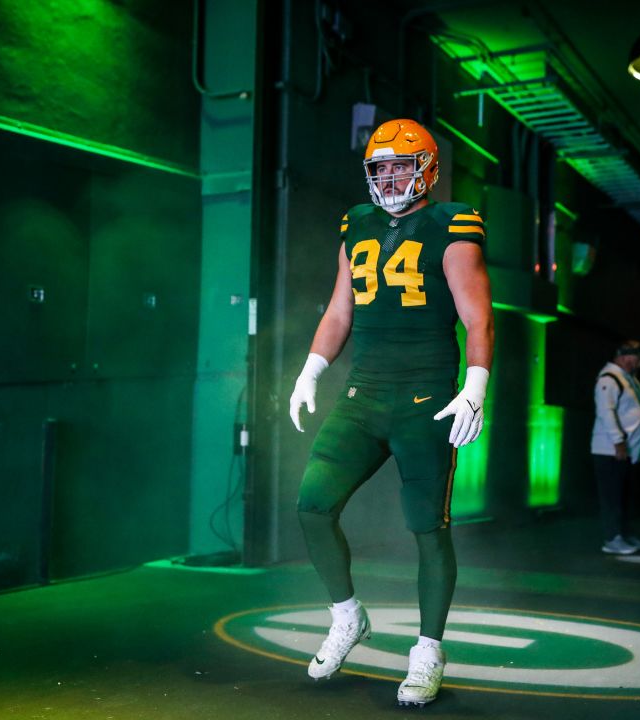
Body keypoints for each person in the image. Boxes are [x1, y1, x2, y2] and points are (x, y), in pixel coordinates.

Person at [287, 118, 494, 706]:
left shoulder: (450, 222)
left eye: (401, 165)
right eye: (380, 166)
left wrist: (475, 384)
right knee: (312, 504)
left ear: (426, 167)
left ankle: (429, 650)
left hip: (427, 400)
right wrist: (311, 370)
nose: (389, 175)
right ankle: (348, 616)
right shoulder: (356, 222)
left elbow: (479, 315)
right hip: (364, 394)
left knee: (427, 529)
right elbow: (339, 312)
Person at [592, 341, 640, 554]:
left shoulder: (627, 379)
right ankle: (612, 537)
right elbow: (606, 412)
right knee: (613, 496)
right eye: (637, 358)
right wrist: (618, 441)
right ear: (624, 357)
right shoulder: (610, 379)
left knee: (624, 496)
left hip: (625, 451)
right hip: (611, 451)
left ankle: (623, 533)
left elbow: (630, 408)